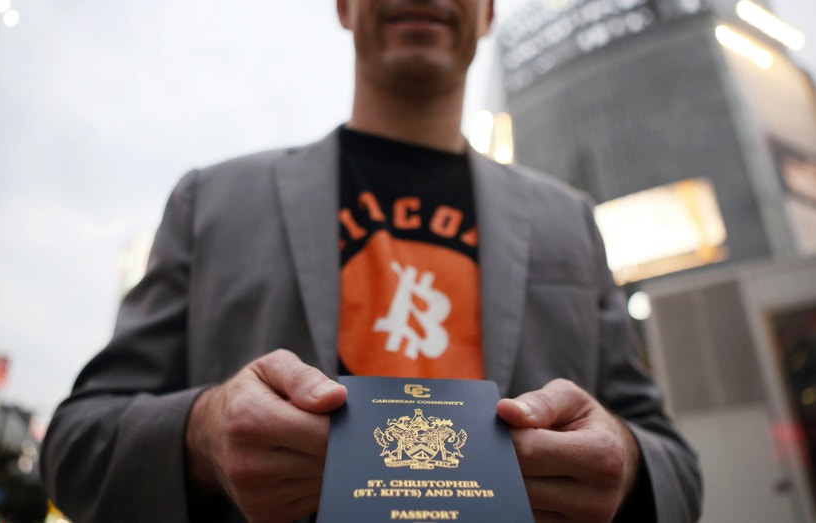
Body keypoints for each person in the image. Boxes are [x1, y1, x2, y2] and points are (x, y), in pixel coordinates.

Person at [40, 1, 702, 522]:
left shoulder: (569, 221)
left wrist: (624, 457)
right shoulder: (210, 202)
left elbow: (674, 463)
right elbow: (74, 446)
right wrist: (200, 433)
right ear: (341, 5)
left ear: (490, 10)